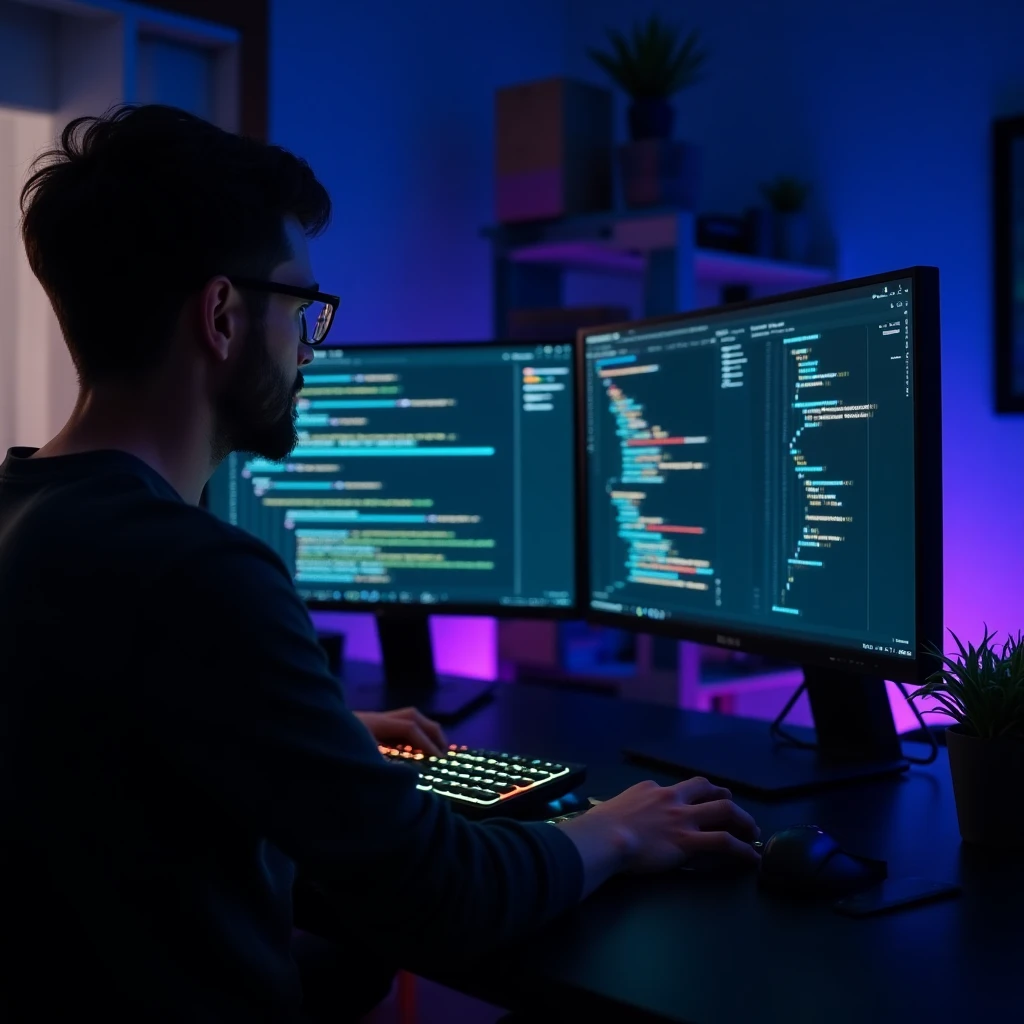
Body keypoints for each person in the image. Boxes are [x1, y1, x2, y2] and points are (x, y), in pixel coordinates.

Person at [0, 105, 760, 1023]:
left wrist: (303, 727)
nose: (311, 349)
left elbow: (103, 743)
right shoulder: (195, 574)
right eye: (304, 309)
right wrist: (615, 830)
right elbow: (440, 895)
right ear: (223, 315)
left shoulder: (27, 514)